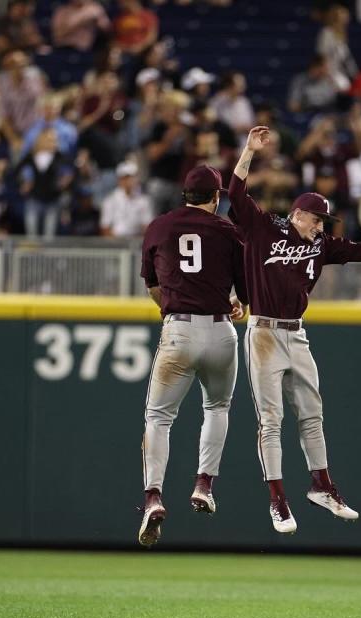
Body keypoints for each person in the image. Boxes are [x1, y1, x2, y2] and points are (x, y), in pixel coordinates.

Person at [228, 126, 361, 534]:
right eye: (317, 218)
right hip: (264, 334)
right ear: (298, 213)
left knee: (312, 415)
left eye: (325, 220)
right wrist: (248, 151)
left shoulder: (322, 244)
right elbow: (235, 193)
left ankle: (322, 486)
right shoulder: (265, 229)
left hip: (297, 333)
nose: (322, 225)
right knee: (270, 420)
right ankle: (277, 500)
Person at [138, 165, 249, 547]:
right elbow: (245, 291)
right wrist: (239, 304)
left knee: (159, 418)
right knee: (217, 408)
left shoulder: (159, 226)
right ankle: (204, 484)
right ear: (215, 198)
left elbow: (153, 286)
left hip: (179, 327)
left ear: (184, 194)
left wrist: (168, 309)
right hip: (220, 330)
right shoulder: (228, 230)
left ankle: (153, 496)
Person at [100, 160, 154, 237]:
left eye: (132, 177)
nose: (130, 180)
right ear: (120, 179)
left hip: (136, 243)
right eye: (126, 177)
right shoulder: (110, 200)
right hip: (115, 243)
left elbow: (147, 226)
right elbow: (105, 228)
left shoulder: (144, 200)